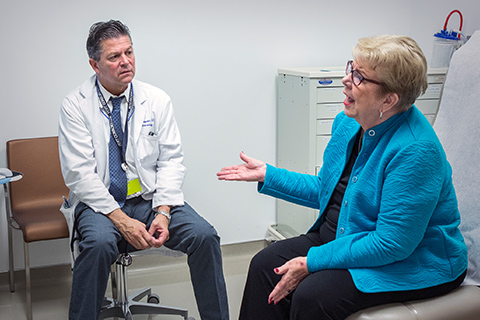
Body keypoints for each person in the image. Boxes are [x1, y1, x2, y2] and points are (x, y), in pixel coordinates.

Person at [217, 35, 468, 320]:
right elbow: (329, 190)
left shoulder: (416, 150)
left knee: (314, 296)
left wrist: (312, 262)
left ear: (389, 99)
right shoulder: (349, 121)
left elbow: (392, 243)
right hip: (346, 236)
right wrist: (268, 175)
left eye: (359, 77)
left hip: (413, 260)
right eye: (351, 68)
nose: (346, 80)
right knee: (265, 264)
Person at [59, 20, 229, 320]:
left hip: (149, 200)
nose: (125, 61)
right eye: (114, 56)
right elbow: (80, 175)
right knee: (98, 245)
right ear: (94, 64)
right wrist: (121, 220)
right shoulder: (75, 105)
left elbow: (172, 160)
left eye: (129, 52)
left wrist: (163, 211)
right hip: (100, 206)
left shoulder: (157, 99)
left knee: (204, 236)